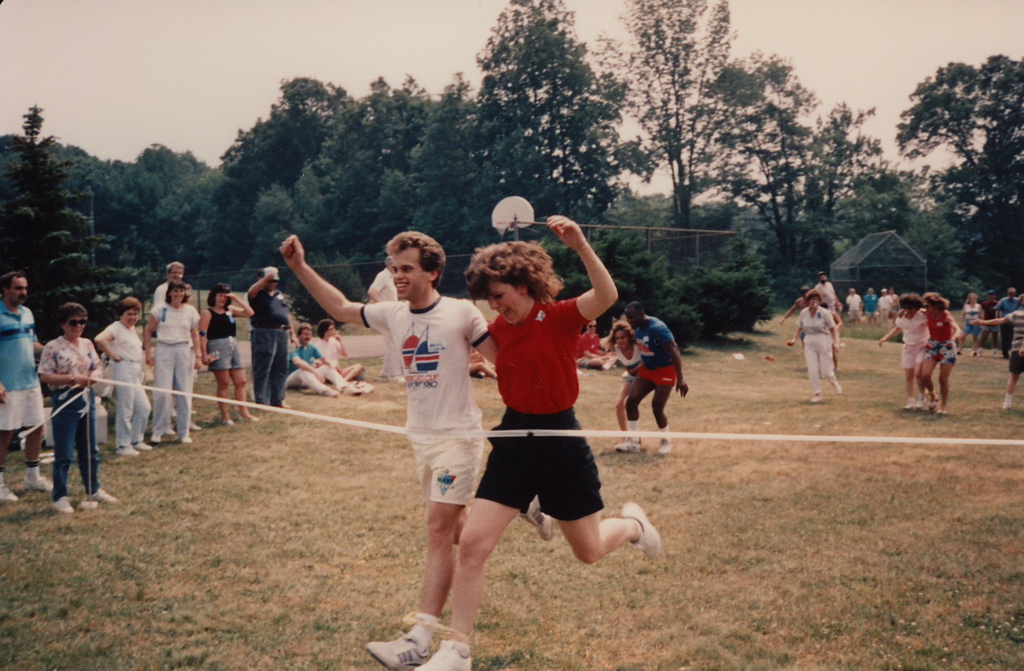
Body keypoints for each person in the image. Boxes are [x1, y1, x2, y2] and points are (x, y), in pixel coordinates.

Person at [280, 230, 552, 671]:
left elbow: (504, 357)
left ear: (433, 271)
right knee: (459, 527)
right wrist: (299, 267)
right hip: (420, 439)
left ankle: (419, 638)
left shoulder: (461, 312)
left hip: (457, 439)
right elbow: (341, 309)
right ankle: (524, 503)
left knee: (437, 532)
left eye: (406, 268)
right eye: (393, 267)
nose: (397, 275)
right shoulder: (393, 314)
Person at [410, 216, 662, 671]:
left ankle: (633, 528)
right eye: (489, 300)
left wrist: (581, 244)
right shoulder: (499, 331)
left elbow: (606, 297)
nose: (496, 307)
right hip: (513, 439)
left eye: (500, 296)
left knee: (587, 551)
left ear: (524, 286)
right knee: (472, 544)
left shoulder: (561, 316)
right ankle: (457, 649)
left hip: (560, 439)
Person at [37, 302, 118, 513]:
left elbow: (97, 367)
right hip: (66, 401)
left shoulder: (88, 344)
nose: (79, 326)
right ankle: (60, 496)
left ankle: (93, 490)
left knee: (90, 449)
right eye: (73, 322)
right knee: (64, 452)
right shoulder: (53, 346)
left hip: (87, 399)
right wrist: (72, 378)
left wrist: (95, 377)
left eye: (82, 321)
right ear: (62, 324)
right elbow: (45, 375)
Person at [0, 271, 52, 503]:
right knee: (4, 433)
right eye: (18, 288)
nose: (23, 293)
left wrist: (52, 349)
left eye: (25, 288)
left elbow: (33, 344)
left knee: (36, 428)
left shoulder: (27, 313)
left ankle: (33, 477)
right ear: (5, 290)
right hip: (7, 385)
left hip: (30, 382)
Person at [618, 302, 688, 455]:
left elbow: (673, 350)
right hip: (648, 370)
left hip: (665, 370)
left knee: (657, 407)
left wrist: (680, 378)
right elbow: (654, 346)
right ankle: (634, 442)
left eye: (632, 317)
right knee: (631, 401)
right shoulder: (639, 329)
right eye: (628, 318)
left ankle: (666, 441)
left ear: (642, 314)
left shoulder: (657, 328)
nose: (630, 321)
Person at [144, 280, 201, 444]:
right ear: (169, 293)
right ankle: (158, 431)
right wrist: (148, 353)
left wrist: (198, 355)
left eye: (181, 291)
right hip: (164, 350)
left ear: (185, 293)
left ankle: (183, 432)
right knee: (162, 392)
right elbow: (148, 332)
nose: (178, 294)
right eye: (175, 291)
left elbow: (195, 334)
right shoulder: (160, 309)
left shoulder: (190, 311)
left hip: (184, 350)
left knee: (184, 391)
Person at [95, 297, 153, 456]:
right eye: (129, 314)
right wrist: (113, 354)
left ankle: (137, 440)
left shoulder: (131, 329)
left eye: (135, 314)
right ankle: (123, 445)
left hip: (135, 371)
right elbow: (100, 339)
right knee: (126, 408)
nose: (133, 317)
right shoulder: (116, 327)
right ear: (121, 314)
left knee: (143, 407)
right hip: (123, 369)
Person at [198, 283, 258, 425]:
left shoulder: (230, 310)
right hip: (217, 346)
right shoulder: (208, 313)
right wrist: (204, 354)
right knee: (224, 383)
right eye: (220, 295)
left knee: (241, 381)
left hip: (233, 345)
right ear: (214, 296)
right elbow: (202, 334)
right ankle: (225, 416)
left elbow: (250, 313)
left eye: (225, 296)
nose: (223, 298)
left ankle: (245, 413)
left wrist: (237, 299)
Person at [247, 266, 293, 408]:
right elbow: (251, 292)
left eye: (275, 280)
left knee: (281, 368)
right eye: (269, 280)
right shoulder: (256, 294)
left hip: (282, 333)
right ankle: (262, 400)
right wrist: (264, 280)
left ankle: (278, 399)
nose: (272, 283)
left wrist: (292, 333)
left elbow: (286, 314)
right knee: (263, 367)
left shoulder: (279, 294)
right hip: (264, 332)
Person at [786, 289, 842, 403]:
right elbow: (800, 327)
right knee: (812, 369)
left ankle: (834, 382)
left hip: (823, 340)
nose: (814, 302)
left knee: (825, 371)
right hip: (809, 341)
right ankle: (817, 393)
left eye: (817, 299)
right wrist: (794, 339)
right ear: (808, 301)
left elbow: (833, 329)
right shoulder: (804, 313)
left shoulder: (825, 313)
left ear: (820, 301)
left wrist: (835, 343)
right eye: (812, 299)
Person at [878, 294, 929, 410]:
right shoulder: (901, 317)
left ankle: (922, 397)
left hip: (922, 346)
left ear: (916, 308)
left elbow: (932, 315)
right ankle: (911, 401)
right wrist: (885, 338)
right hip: (908, 348)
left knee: (918, 373)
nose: (908, 311)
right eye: (905, 308)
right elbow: (898, 328)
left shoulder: (922, 316)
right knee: (908, 376)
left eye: (911, 308)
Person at [972, 307, 1024, 409]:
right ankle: (1006, 404)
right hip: (1018, 348)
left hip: (1017, 348)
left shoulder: (1016, 314)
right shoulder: (1016, 314)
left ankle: (1007, 404)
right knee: (1014, 376)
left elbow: (998, 321)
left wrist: (982, 322)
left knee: (1014, 377)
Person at [919, 292, 961, 415]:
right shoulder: (928, 313)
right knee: (925, 375)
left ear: (935, 306)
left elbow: (957, 327)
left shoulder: (946, 316)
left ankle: (944, 406)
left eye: (928, 306)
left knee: (943, 379)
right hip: (933, 345)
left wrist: (955, 336)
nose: (925, 308)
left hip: (947, 346)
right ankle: (933, 395)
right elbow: (914, 310)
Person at [285, 323, 352, 397]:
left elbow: (324, 360)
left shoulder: (311, 346)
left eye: (310, 335)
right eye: (305, 334)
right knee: (303, 370)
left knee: (326, 367)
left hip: (305, 378)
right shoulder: (293, 347)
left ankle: (344, 387)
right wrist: (315, 373)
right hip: (291, 379)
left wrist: (332, 365)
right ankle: (325, 391)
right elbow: (298, 363)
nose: (308, 337)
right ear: (299, 336)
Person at [604, 319, 642, 452]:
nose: (621, 341)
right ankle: (625, 436)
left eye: (623, 337)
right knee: (619, 404)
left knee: (629, 403)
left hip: (643, 377)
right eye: (618, 338)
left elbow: (645, 365)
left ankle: (635, 438)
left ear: (629, 336)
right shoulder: (617, 349)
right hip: (631, 374)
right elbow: (629, 369)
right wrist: (638, 367)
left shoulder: (637, 346)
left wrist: (638, 368)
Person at [368, 256, 403, 381]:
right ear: (390, 265)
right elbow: (372, 291)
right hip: (385, 314)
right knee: (393, 343)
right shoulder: (382, 276)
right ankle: (394, 374)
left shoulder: (392, 278)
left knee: (393, 342)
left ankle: (385, 372)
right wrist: (381, 306)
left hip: (393, 314)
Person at [313, 319, 371, 390]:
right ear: (326, 331)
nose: (335, 330)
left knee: (359, 367)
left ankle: (344, 381)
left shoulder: (333, 341)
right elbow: (318, 364)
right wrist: (331, 366)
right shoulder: (318, 345)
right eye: (332, 328)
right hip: (329, 372)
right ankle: (344, 381)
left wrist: (340, 341)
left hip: (338, 370)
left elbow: (344, 354)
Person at [995, 287, 1021, 359]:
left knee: (1013, 337)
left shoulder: (1017, 301)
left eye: (1012, 293)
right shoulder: (1003, 300)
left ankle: (1013, 352)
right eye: (1010, 293)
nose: (1011, 295)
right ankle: (1005, 353)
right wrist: (998, 318)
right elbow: (997, 309)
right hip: (1005, 321)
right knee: (1004, 338)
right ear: (1008, 293)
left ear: (1015, 294)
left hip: (1014, 321)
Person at [979, 290, 1001, 357]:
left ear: (994, 295)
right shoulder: (985, 304)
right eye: (990, 295)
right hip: (987, 323)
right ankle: (981, 351)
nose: (991, 296)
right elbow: (981, 312)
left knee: (995, 338)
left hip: (995, 323)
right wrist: (981, 322)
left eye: (992, 295)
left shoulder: (998, 303)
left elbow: (999, 312)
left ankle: (994, 352)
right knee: (984, 337)